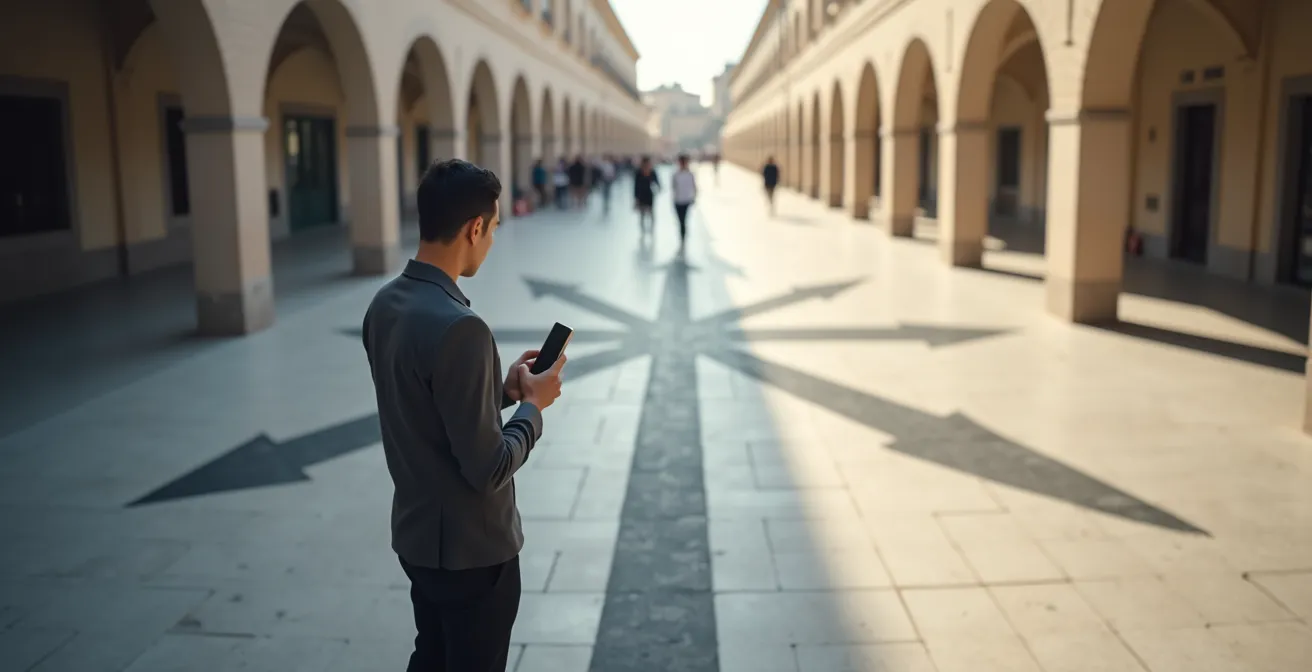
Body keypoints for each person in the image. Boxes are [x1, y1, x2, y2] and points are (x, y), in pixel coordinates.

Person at [361, 159, 568, 672]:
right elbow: (488, 467)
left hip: (418, 538)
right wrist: (533, 406)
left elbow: (423, 406)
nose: (492, 240)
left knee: (430, 656)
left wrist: (499, 392)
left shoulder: (385, 304)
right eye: (492, 228)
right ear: (474, 228)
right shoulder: (462, 327)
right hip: (472, 552)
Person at [671, 154, 697, 247]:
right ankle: (682, 234)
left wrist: (694, 197)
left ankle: (683, 236)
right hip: (678, 201)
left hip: (686, 200)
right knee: (680, 220)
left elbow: (694, 186)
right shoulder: (676, 175)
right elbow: (673, 187)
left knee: (683, 219)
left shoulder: (690, 174)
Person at [633, 155, 659, 236]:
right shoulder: (639, 173)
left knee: (651, 212)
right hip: (641, 195)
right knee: (642, 214)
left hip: (649, 194)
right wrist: (636, 198)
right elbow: (636, 186)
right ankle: (643, 230)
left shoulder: (652, 172)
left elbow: (657, 182)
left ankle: (651, 229)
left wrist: (658, 188)